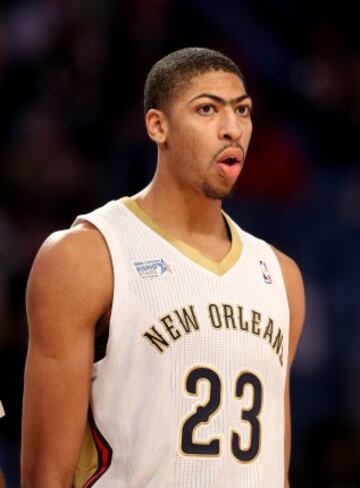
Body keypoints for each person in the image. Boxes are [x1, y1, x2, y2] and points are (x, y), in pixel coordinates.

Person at [21, 47, 305, 487]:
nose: (233, 129)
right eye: (207, 109)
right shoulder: (86, 256)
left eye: (243, 110)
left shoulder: (281, 276)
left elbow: (273, 469)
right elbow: (45, 475)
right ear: (158, 125)